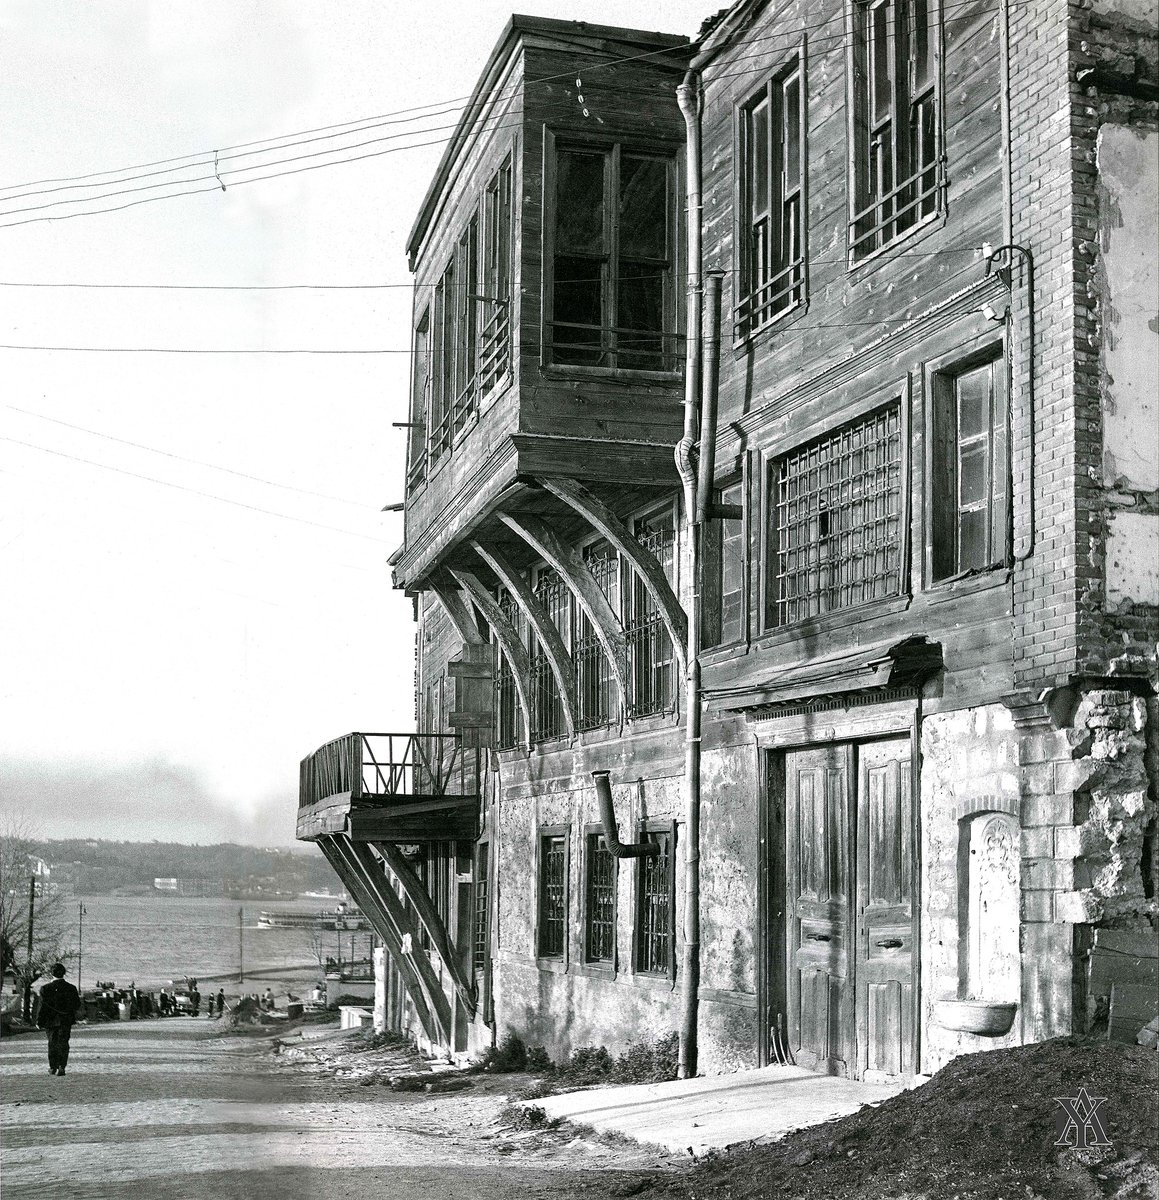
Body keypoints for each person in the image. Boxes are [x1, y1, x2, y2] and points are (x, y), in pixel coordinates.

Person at [37, 963, 81, 1076]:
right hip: (66, 1020)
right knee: (64, 1043)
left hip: (50, 1021)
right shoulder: (71, 988)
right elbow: (77, 1005)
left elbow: (42, 1007)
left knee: (52, 1043)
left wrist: (39, 1021)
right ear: (64, 973)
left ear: (52, 974)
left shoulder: (45, 989)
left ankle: (53, 1067)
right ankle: (62, 1067)